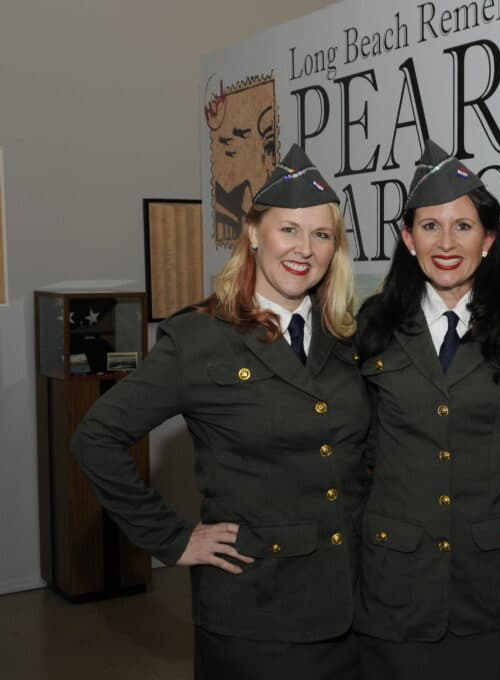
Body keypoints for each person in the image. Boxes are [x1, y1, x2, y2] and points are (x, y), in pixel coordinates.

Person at [71, 145, 370, 679]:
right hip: (255, 614)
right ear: (254, 233)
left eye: (321, 235)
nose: (305, 248)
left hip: (352, 609)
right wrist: (173, 538)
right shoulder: (199, 339)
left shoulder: (347, 338)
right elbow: (95, 438)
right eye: (289, 230)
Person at [353, 140, 500, 680]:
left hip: (496, 592)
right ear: (406, 238)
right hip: (395, 590)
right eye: (430, 226)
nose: (447, 243)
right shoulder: (372, 326)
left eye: (463, 227)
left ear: (487, 239)